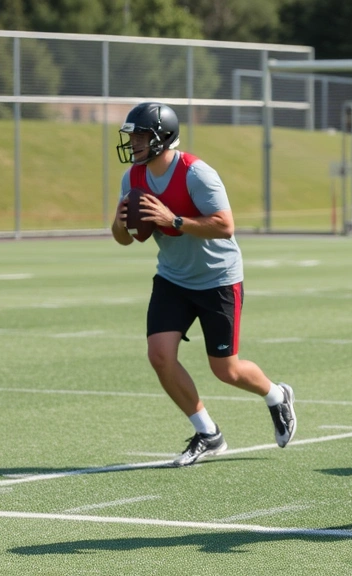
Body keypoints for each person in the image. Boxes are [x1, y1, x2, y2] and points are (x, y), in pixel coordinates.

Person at [110, 101, 296, 466]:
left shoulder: (197, 174)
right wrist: (118, 222)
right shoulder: (132, 177)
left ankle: (276, 395)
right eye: (132, 136)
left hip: (218, 278)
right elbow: (125, 238)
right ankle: (208, 433)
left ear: (162, 138)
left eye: (141, 136)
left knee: (225, 369)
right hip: (173, 278)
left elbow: (225, 225)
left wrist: (173, 219)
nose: (133, 144)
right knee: (160, 355)